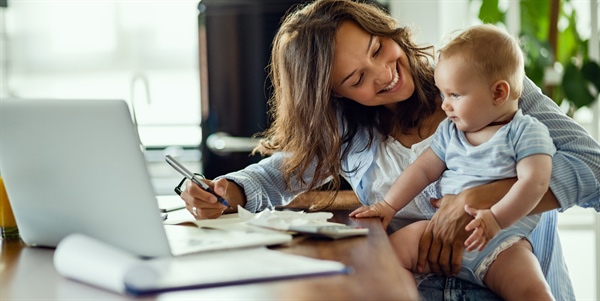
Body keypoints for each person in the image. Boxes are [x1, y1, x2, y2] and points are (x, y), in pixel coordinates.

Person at [179, 0, 600, 299]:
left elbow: (594, 169)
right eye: (356, 79)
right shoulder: (350, 129)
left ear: (384, 29)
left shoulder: (484, 83)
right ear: (335, 96)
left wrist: (481, 196)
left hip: (512, 282)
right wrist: (225, 190)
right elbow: (280, 171)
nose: (383, 75)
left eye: (378, 49)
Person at [350, 24, 555, 300]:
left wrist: (495, 219)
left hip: (502, 244)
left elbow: (536, 182)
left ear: (498, 93)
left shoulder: (525, 132)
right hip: (438, 233)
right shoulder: (451, 131)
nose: (445, 105)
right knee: (385, 256)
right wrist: (388, 205)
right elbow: (422, 170)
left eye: (455, 95)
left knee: (534, 291)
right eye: (443, 94)